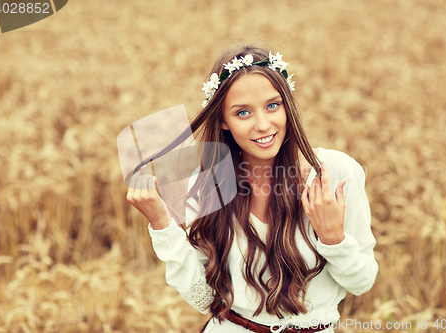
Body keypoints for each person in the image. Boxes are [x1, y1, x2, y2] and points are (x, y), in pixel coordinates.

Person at [126, 44, 378, 333]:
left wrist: (332, 238)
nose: (262, 124)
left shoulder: (334, 173)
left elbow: (362, 282)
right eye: (243, 112)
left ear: (288, 105)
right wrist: (161, 224)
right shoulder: (209, 183)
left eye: (273, 105)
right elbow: (204, 297)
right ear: (223, 121)